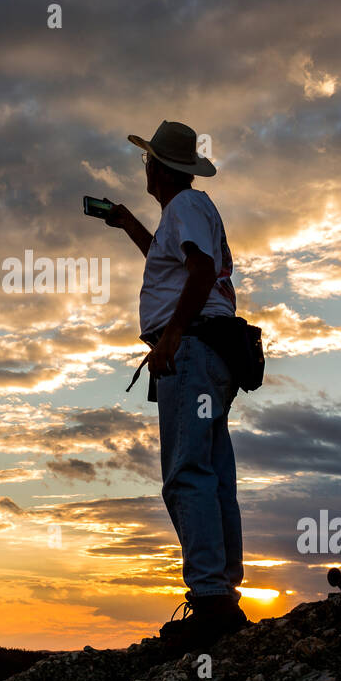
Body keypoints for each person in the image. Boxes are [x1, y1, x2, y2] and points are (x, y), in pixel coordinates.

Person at [103, 120, 249, 649]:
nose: (145, 167)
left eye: (147, 160)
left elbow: (202, 271)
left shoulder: (185, 207)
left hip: (193, 350)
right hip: (215, 352)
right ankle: (223, 596)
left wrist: (173, 336)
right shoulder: (189, 211)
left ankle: (210, 601)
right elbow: (175, 267)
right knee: (211, 473)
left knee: (187, 473)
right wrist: (129, 227)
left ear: (157, 167)